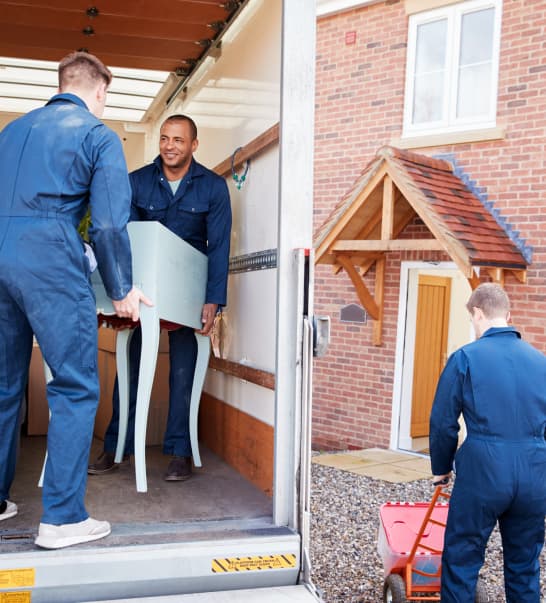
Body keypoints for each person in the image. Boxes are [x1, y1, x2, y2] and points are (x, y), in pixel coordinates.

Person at [0, 51, 151, 549]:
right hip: (48, 259)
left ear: (61, 82)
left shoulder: (12, 133)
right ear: (100, 91)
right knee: (75, 383)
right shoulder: (97, 134)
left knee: (2, 385)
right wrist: (123, 288)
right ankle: (63, 518)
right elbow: (108, 222)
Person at [88, 114, 231, 481]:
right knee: (130, 371)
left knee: (182, 373)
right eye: (165, 138)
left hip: (189, 292)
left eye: (178, 140)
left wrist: (213, 300)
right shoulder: (136, 182)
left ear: (193, 145)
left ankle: (180, 452)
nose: (169, 145)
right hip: (146, 290)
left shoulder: (213, 187)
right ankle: (116, 446)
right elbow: (128, 238)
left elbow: (219, 248)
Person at [429, 283, 546, 603]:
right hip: (535, 473)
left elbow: (443, 423)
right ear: (508, 315)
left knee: (463, 559)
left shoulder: (465, 357)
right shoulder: (541, 362)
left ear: (477, 313)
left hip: (484, 470)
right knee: (524, 565)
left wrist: (441, 469)